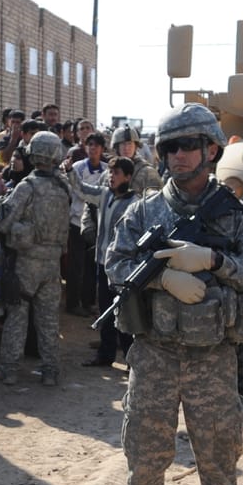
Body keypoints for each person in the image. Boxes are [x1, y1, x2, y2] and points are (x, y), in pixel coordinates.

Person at [103, 103, 243, 485]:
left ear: (211, 149)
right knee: (145, 453)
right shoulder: (145, 212)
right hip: (155, 351)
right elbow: (115, 265)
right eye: (170, 146)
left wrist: (213, 260)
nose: (178, 155)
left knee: (218, 455)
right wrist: (162, 279)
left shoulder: (236, 216)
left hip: (212, 355)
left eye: (189, 145)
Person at [0, 130, 72, 385]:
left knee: (17, 316)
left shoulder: (27, 187)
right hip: (52, 264)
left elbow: (3, 223)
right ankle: (50, 371)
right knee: (48, 320)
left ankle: (9, 369)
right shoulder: (63, 186)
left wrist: (0, 204)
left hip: (26, 262)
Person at [83, 155, 139, 368]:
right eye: (110, 172)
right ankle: (105, 355)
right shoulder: (105, 195)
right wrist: (69, 172)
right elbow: (82, 189)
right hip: (102, 264)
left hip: (122, 268)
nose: (111, 176)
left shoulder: (135, 204)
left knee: (124, 314)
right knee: (105, 310)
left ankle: (131, 360)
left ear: (128, 177)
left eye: (116, 173)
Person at [67, 130, 108, 315]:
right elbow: (72, 192)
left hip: (98, 225)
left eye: (96, 145)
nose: (93, 148)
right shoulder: (76, 168)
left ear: (102, 149)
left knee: (92, 266)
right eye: (90, 145)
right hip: (77, 222)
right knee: (75, 266)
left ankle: (88, 302)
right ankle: (72, 303)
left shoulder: (108, 170)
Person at [110, 124, 161, 193]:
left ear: (136, 146)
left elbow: (156, 200)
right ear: (116, 147)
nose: (126, 148)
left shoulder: (148, 173)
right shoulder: (109, 172)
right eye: (123, 144)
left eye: (130, 144)